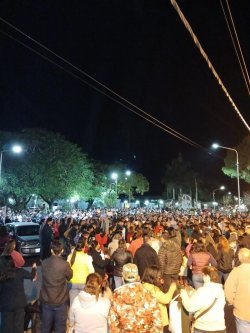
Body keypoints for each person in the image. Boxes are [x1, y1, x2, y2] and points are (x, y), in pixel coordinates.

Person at [108, 263, 163, 333]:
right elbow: (158, 325)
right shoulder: (149, 296)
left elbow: (113, 327)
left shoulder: (115, 298)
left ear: (122, 278)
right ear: (138, 277)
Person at [39, 240, 73, 333]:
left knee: (45, 327)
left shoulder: (44, 262)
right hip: (60, 300)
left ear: (51, 250)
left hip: (46, 299)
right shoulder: (64, 264)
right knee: (60, 328)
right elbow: (70, 276)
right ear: (62, 251)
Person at [181, 266, 226, 333]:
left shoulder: (203, 291)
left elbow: (190, 307)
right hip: (219, 326)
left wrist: (183, 294)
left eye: (203, 275)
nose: (202, 276)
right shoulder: (220, 290)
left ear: (207, 276)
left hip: (203, 327)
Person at [0, 255, 37, 333]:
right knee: (19, 327)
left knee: (6, 327)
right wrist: (34, 268)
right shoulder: (19, 271)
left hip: (5, 306)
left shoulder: (1, 275)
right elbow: (32, 276)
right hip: (19, 304)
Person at [141, 265, 177, 332]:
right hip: (158, 320)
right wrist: (172, 287)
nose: (160, 278)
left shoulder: (143, 285)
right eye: (159, 277)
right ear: (153, 277)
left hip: (147, 319)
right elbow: (166, 299)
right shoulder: (153, 290)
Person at [224, 247, 250, 333]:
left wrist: (233, 302)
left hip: (242, 311)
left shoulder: (236, 272)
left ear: (239, 258)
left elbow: (228, 290)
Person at [67, 239, 95, 304]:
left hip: (72, 283)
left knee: (73, 304)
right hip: (84, 283)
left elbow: (67, 269)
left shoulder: (70, 257)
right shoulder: (88, 257)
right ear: (84, 248)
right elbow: (92, 271)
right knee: (83, 303)